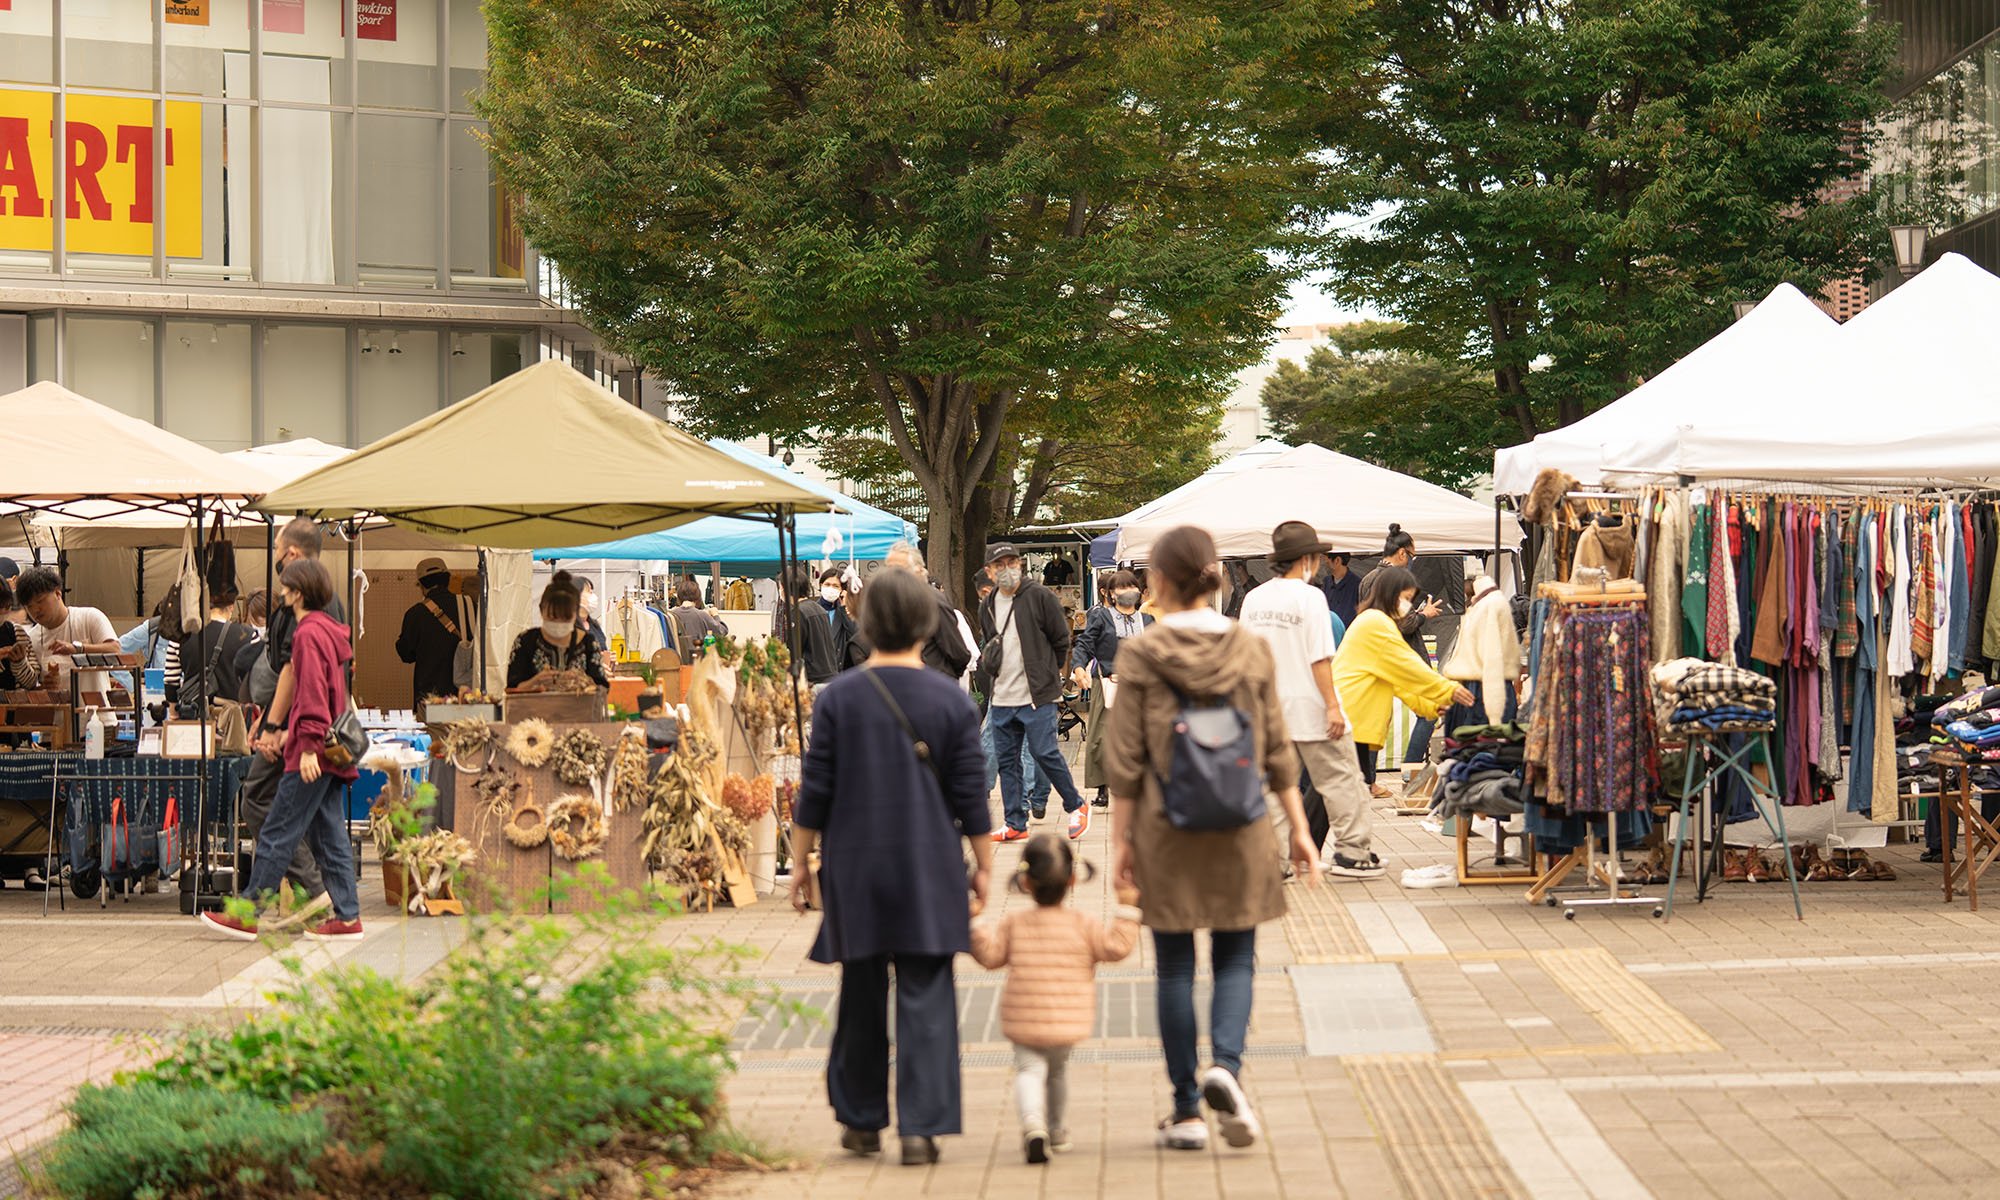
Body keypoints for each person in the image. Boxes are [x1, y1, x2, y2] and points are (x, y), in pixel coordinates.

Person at [1101, 525, 1317, 1152]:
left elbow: (1126, 762)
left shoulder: (1140, 653)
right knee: (1236, 957)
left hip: (1165, 825)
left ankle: (1187, 1110)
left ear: (1159, 582)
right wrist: (1299, 830)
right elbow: (1276, 747)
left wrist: (1120, 845)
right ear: (1217, 578)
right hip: (1242, 822)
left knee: (1172, 968)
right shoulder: (1249, 647)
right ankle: (1228, 1068)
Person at [789, 566, 992, 1168]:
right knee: (928, 987)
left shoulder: (840, 699)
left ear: (865, 622)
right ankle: (922, 1127)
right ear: (928, 623)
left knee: (861, 987)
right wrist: (983, 866)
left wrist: (800, 863)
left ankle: (859, 1120)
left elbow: (815, 789)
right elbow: (970, 793)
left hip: (855, 864)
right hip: (930, 862)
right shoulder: (951, 699)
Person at [201, 556, 363, 942]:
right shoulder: (330, 631)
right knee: (328, 835)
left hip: (310, 753)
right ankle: (347, 916)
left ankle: (249, 912)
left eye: (288, 586)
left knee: (277, 830)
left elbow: (310, 695)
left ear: (299, 591)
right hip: (332, 748)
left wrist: (304, 745)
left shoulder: (306, 634)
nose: (283, 592)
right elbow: (332, 693)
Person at [970, 833, 1141, 1165]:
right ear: (1073, 880)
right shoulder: (1084, 924)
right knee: (1058, 1071)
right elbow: (1115, 948)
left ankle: (1034, 1125)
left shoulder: (1014, 924)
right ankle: (1058, 1129)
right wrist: (1127, 910)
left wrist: (975, 919)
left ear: (1025, 882)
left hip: (1024, 1018)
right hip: (1068, 1020)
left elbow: (990, 957)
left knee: (1029, 1069)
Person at [1239, 521, 1384, 878]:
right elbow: (1320, 657)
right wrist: (1333, 705)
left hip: (1267, 710)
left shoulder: (1254, 599)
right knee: (1342, 779)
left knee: (1273, 788)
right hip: (1312, 707)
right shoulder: (1310, 598)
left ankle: (1277, 862)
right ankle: (1353, 853)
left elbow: (1244, 658)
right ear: (1306, 560)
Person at [244, 518, 345, 921]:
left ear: (293, 556)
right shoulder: (328, 601)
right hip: (306, 726)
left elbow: (294, 672)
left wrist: (276, 727)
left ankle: (307, 895)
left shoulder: (306, 611)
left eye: (277, 552)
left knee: (259, 801)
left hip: (303, 729)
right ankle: (338, 906)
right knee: (323, 822)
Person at [1332, 565, 1472, 806]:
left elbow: (1396, 679)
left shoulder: (1373, 620)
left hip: (1353, 720)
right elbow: (1408, 666)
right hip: (1351, 719)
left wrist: (1428, 706)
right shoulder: (1377, 623)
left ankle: (1343, 843)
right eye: (1406, 599)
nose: (1408, 606)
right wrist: (1447, 690)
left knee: (1342, 803)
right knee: (1339, 803)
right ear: (1390, 594)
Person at [980, 543, 1088, 842]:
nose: (1007, 569)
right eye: (1000, 564)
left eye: (1013, 562)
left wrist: (1047, 675)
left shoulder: (1039, 596)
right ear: (989, 571)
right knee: (1007, 761)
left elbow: (1060, 639)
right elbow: (991, 641)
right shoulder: (987, 603)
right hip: (1001, 695)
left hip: (1037, 694)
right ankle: (1015, 821)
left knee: (1044, 752)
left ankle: (1076, 805)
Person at [1362, 524, 1443, 778]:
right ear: (1401, 554)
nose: (1412, 562)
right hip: (1400, 655)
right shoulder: (1396, 580)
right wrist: (1423, 615)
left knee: (1378, 718)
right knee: (1429, 713)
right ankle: (1410, 774)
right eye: (1412, 555)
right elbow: (1404, 623)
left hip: (1375, 655)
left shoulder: (1367, 579)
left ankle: (1369, 780)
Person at [1070, 568, 1152, 809]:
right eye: (1121, 588)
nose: (1128, 592)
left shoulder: (1148, 621)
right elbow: (1084, 644)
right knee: (1100, 737)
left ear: (1139, 591)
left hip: (1140, 686)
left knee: (1140, 737)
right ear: (1111, 594)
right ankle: (1103, 788)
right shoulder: (1101, 617)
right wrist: (1078, 667)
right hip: (1107, 683)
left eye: (1132, 586)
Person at [16, 567, 119, 696]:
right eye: (29, 606)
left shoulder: (89, 617)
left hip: (96, 714)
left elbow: (115, 650)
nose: (36, 609)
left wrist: (78, 649)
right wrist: (44, 687)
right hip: (58, 715)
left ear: (58, 593)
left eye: (40, 601)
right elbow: (33, 685)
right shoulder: (32, 638)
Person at [883, 544, 973, 681]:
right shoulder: (889, 603)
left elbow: (957, 651)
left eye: (899, 570)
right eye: (889, 570)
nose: (893, 576)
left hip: (935, 683)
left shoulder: (933, 601)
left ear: (918, 570)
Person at [506, 571, 610, 690]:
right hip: (536, 708)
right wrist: (535, 682)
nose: (559, 622)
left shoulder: (588, 643)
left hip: (578, 708)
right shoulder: (526, 641)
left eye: (566, 618)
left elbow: (602, 688)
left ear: (574, 613)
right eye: (553, 617)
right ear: (541, 611)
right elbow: (511, 689)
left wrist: (582, 682)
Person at [166, 586, 255, 713]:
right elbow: (256, 681)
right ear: (232, 605)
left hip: (192, 715)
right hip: (233, 719)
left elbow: (171, 679)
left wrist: (174, 714)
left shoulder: (179, 635)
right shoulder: (248, 635)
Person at [395, 557, 467, 706]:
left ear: (422, 585)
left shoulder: (415, 614)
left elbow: (406, 654)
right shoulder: (468, 606)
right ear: (447, 580)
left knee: (429, 729)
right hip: (465, 695)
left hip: (429, 697)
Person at [786, 566, 839, 685]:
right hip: (829, 677)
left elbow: (794, 651)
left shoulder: (798, 612)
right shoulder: (818, 608)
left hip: (813, 679)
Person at [664, 576, 730, 664]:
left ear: (679, 596)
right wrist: (715, 615)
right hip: (698, 663)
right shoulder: (702, 615)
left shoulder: (670, 615)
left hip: (675, 663)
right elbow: (722, 631)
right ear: (698, 596)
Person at [0, 575, 42, 693]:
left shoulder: (17, 632)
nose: (3, 611)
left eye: (7, 606)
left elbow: (32, 683)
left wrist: (20, 663)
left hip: (12, 706)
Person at [1319, 553, 1360, 629]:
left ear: (1337, 560)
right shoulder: (1326, 582)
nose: (1324, 562)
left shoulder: (1357, 584)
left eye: (1325, 558)